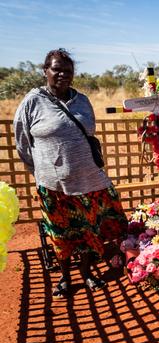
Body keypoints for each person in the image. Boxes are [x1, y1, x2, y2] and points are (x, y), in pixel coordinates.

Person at [13, 49, 128, 298]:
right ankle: (66, 277)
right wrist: (44, 169)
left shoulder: (82, 100)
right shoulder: (32, 101)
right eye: (57, 69)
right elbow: (22, 144)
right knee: (60, 233)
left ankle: (86, 274)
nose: (63, 74)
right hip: (52, 184)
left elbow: (88, 132)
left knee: (87, 229)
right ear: (46, 71)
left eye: (68, 70)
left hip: (87, 179)